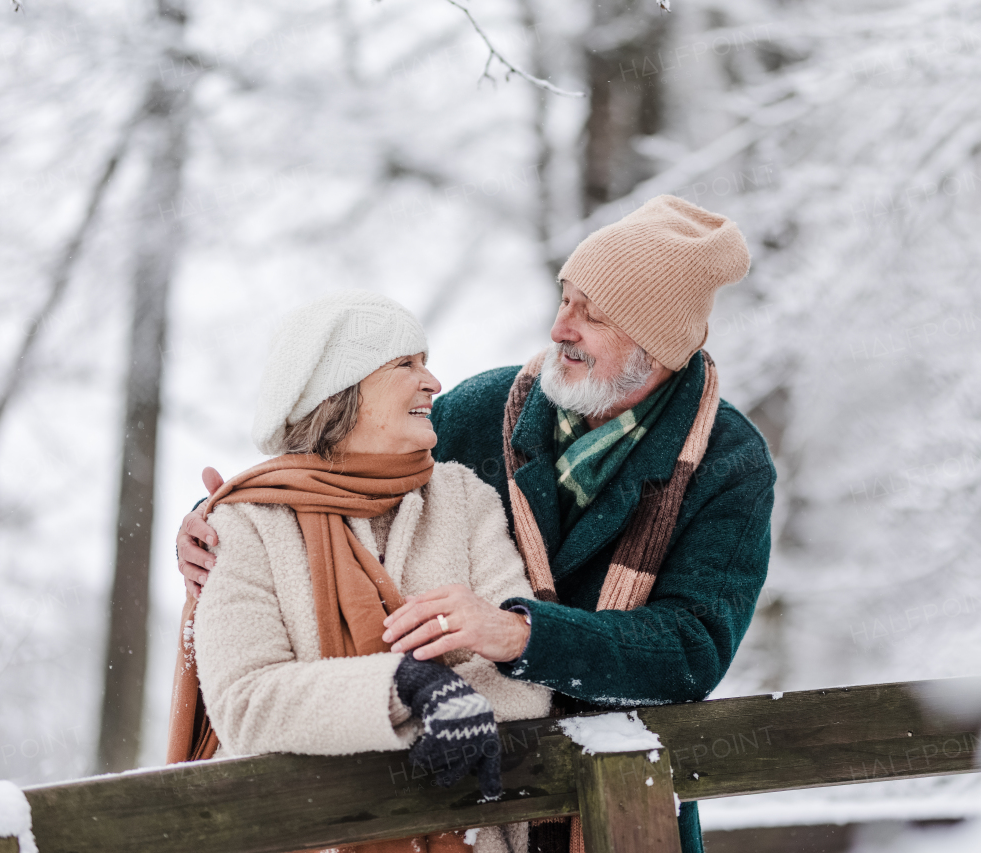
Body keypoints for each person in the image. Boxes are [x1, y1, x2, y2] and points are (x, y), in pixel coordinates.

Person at [177, 195, 777, 853]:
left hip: (616, 804)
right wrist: (219, 526)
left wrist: (521, 633)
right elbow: (346, 472)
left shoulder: (728, 462)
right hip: (459, 803)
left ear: (654, 343)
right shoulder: (485, 409)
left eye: (592, 313)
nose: (560, 328)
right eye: (564, 298)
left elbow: (690, 651)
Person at [169, 291, 550, 853]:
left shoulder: (466, 500)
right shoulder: (246, 522)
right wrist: (410, 687)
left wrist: (416, 708)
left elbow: (524, 676)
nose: (434, 382)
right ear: (340, 388)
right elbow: (247, 704)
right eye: (406, 364)